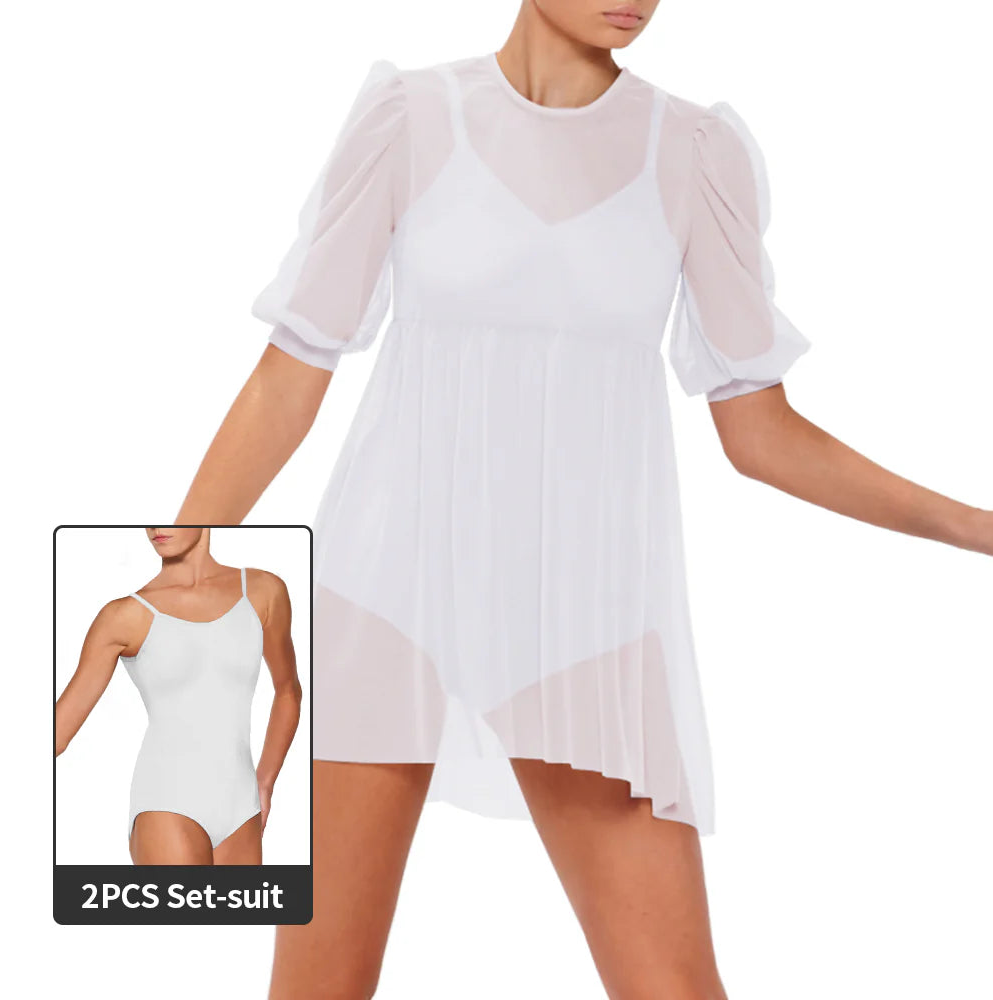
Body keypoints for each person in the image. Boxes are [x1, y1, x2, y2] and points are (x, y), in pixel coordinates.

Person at [177, 1, 992, 995]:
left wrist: (976, 526)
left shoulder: (690, 153)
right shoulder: (411, 117)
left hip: (581, 622)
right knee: (320, 986)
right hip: (390, 595)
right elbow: (289, 375)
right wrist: (186, 549)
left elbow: (761, 433)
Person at [55, 526, 302, 866]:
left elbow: (288, 691)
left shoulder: (263, 591)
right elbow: (57, 734)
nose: (157, 526)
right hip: (166, 802)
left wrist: (266, 781)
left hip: (242, 806)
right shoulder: (123, 616)